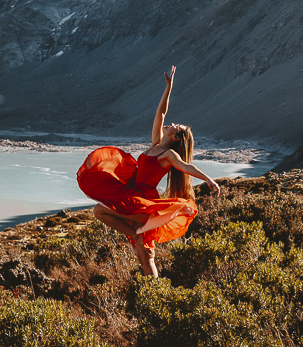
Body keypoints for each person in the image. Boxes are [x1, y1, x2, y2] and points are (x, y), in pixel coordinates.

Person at [76, 66, 220, 276]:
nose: (172, 124)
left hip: (143, 200)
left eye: (176, 127)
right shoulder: (156, 144)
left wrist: (208, 179)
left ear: (176, 138)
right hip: (132, 195)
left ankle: (153, 293)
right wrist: (169, 88)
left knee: (139, 248)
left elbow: (186, 167)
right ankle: (150, 284)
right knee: (143, 254)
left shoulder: (168, 156)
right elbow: (160, 113)